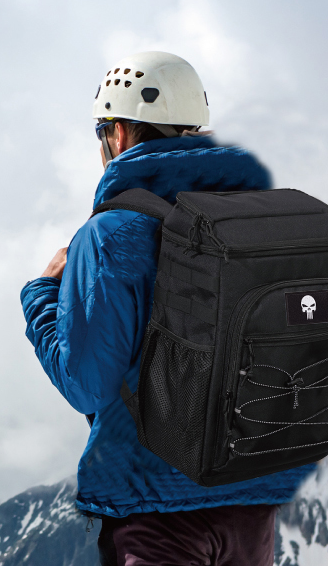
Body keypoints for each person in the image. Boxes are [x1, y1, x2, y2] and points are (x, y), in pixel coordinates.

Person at [20, 51, 312, 566]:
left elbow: (88, 385)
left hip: (156, 510)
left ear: (122, 133)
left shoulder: (109, 234)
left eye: (103, 131)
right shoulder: (254, 223)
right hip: (249, 501)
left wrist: (41, 298)